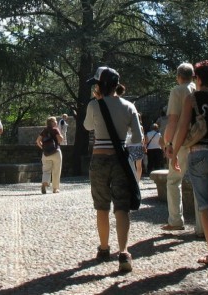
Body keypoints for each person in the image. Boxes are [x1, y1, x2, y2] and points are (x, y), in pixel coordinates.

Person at [168, 60, 208, 266]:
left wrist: (174, 153)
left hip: (199, 154)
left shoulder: (191, 99)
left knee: (204, 204)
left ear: (199, 78)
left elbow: (184, 128)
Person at [84, 66, 143, 274]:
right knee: (122, 207)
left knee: (101, 205)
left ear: (100, 86)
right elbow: (137, 138)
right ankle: (124, 252)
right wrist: (137, 165)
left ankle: (104, 247)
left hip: (99, 158)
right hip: (121, 159)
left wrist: (98, 101)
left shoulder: (94, 105)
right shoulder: (129, 106)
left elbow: (87, 127)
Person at [161, 62, 203, 235]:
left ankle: (176, 220)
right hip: (199, 140)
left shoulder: (177, 91)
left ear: (178, 76)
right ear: (193, 75)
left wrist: (168, 143)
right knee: (199, 184)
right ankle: (202, 227)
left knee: (173, 181)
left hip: (181, 142)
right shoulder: (199, 89)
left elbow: (173, 120)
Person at [36, 116, 64, 193]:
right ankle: (55, 188)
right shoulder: (55, 129)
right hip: (56, 152)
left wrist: (43, 147)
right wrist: (61, 135)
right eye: (55, 121)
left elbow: (38, 141)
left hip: (46, 154)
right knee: (56, 170)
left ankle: (44, 184)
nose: (56, 122)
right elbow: (60, 139)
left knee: (46, 170)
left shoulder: (44, 130)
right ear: (52, 122)